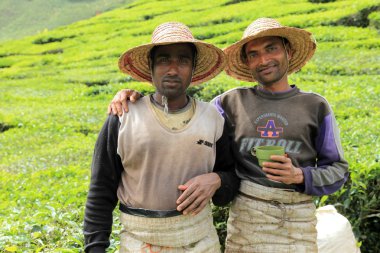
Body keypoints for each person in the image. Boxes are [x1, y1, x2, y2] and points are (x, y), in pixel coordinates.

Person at [108, 18, 349, 252]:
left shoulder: (315, 106)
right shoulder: (228, 103)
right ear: (247, 62)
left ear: (287, 50)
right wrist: (132, 97)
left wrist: (299, 175)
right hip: (247, 222)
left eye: (271, 49)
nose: (263, 60)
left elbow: (338, 170)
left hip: (296, 225)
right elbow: (184, 120)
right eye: (253, 54)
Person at [83, 22, 239, 253]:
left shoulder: (213, 118)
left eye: (183, 60)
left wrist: (218, 180)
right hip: (139, 243)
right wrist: (95, 248)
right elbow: (101, 190)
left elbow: (232, 180)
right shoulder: (123, 116)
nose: (173, 70)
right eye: (164, 59)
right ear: (151, 66)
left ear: (194, 68)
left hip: (200, 242)